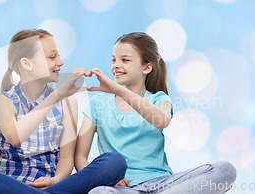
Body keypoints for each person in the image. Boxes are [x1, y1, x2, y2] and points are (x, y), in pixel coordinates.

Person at [0, 29, 126, 194]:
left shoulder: (67, 102)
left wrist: (55, 180)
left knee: (114, 162)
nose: (60, 62)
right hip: (9, 184)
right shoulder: (5, 101)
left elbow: (67, 159)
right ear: (26, 63)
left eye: (58, 55)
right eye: (52, 57)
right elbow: (15, 137)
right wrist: (56, 96)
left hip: (52, 185)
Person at [75, 32, 236, 193]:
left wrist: (118, 90)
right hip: (124, 189)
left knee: (224, 169)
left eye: (125, 60)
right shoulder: (97, 104)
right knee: (99, 192)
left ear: (147, 67)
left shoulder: (159, 99)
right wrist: (105, 178)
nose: (116, 65)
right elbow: (80, 157)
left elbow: (161, 120)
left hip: (164, 185)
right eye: (113, 60)